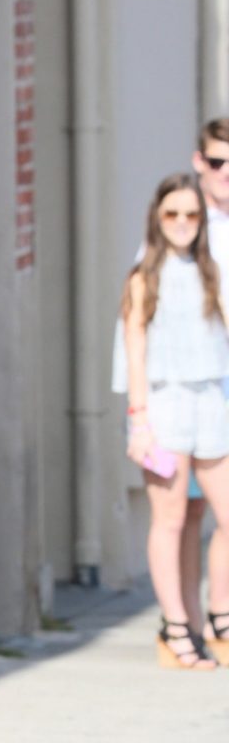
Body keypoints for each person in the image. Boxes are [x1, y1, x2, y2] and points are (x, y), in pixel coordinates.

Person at [113, 172, 229, 669]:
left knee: (220, 516)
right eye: (172, 214)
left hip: (212, 401)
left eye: (191, 215)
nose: (182, 223)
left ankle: (219, 616)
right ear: (158, 220)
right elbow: (135, 353)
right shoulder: (144, 277)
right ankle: (175, 627)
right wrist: (140, 422)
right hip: (164, 406)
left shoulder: (212, 270)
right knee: (171, 519)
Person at [181, 118, 229, 664]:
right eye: (218, 162)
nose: (225, 174)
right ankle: (189, 624)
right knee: (189, 513)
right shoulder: (182, 218)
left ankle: (219, 612)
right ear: (200, 161)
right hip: (192, 388)